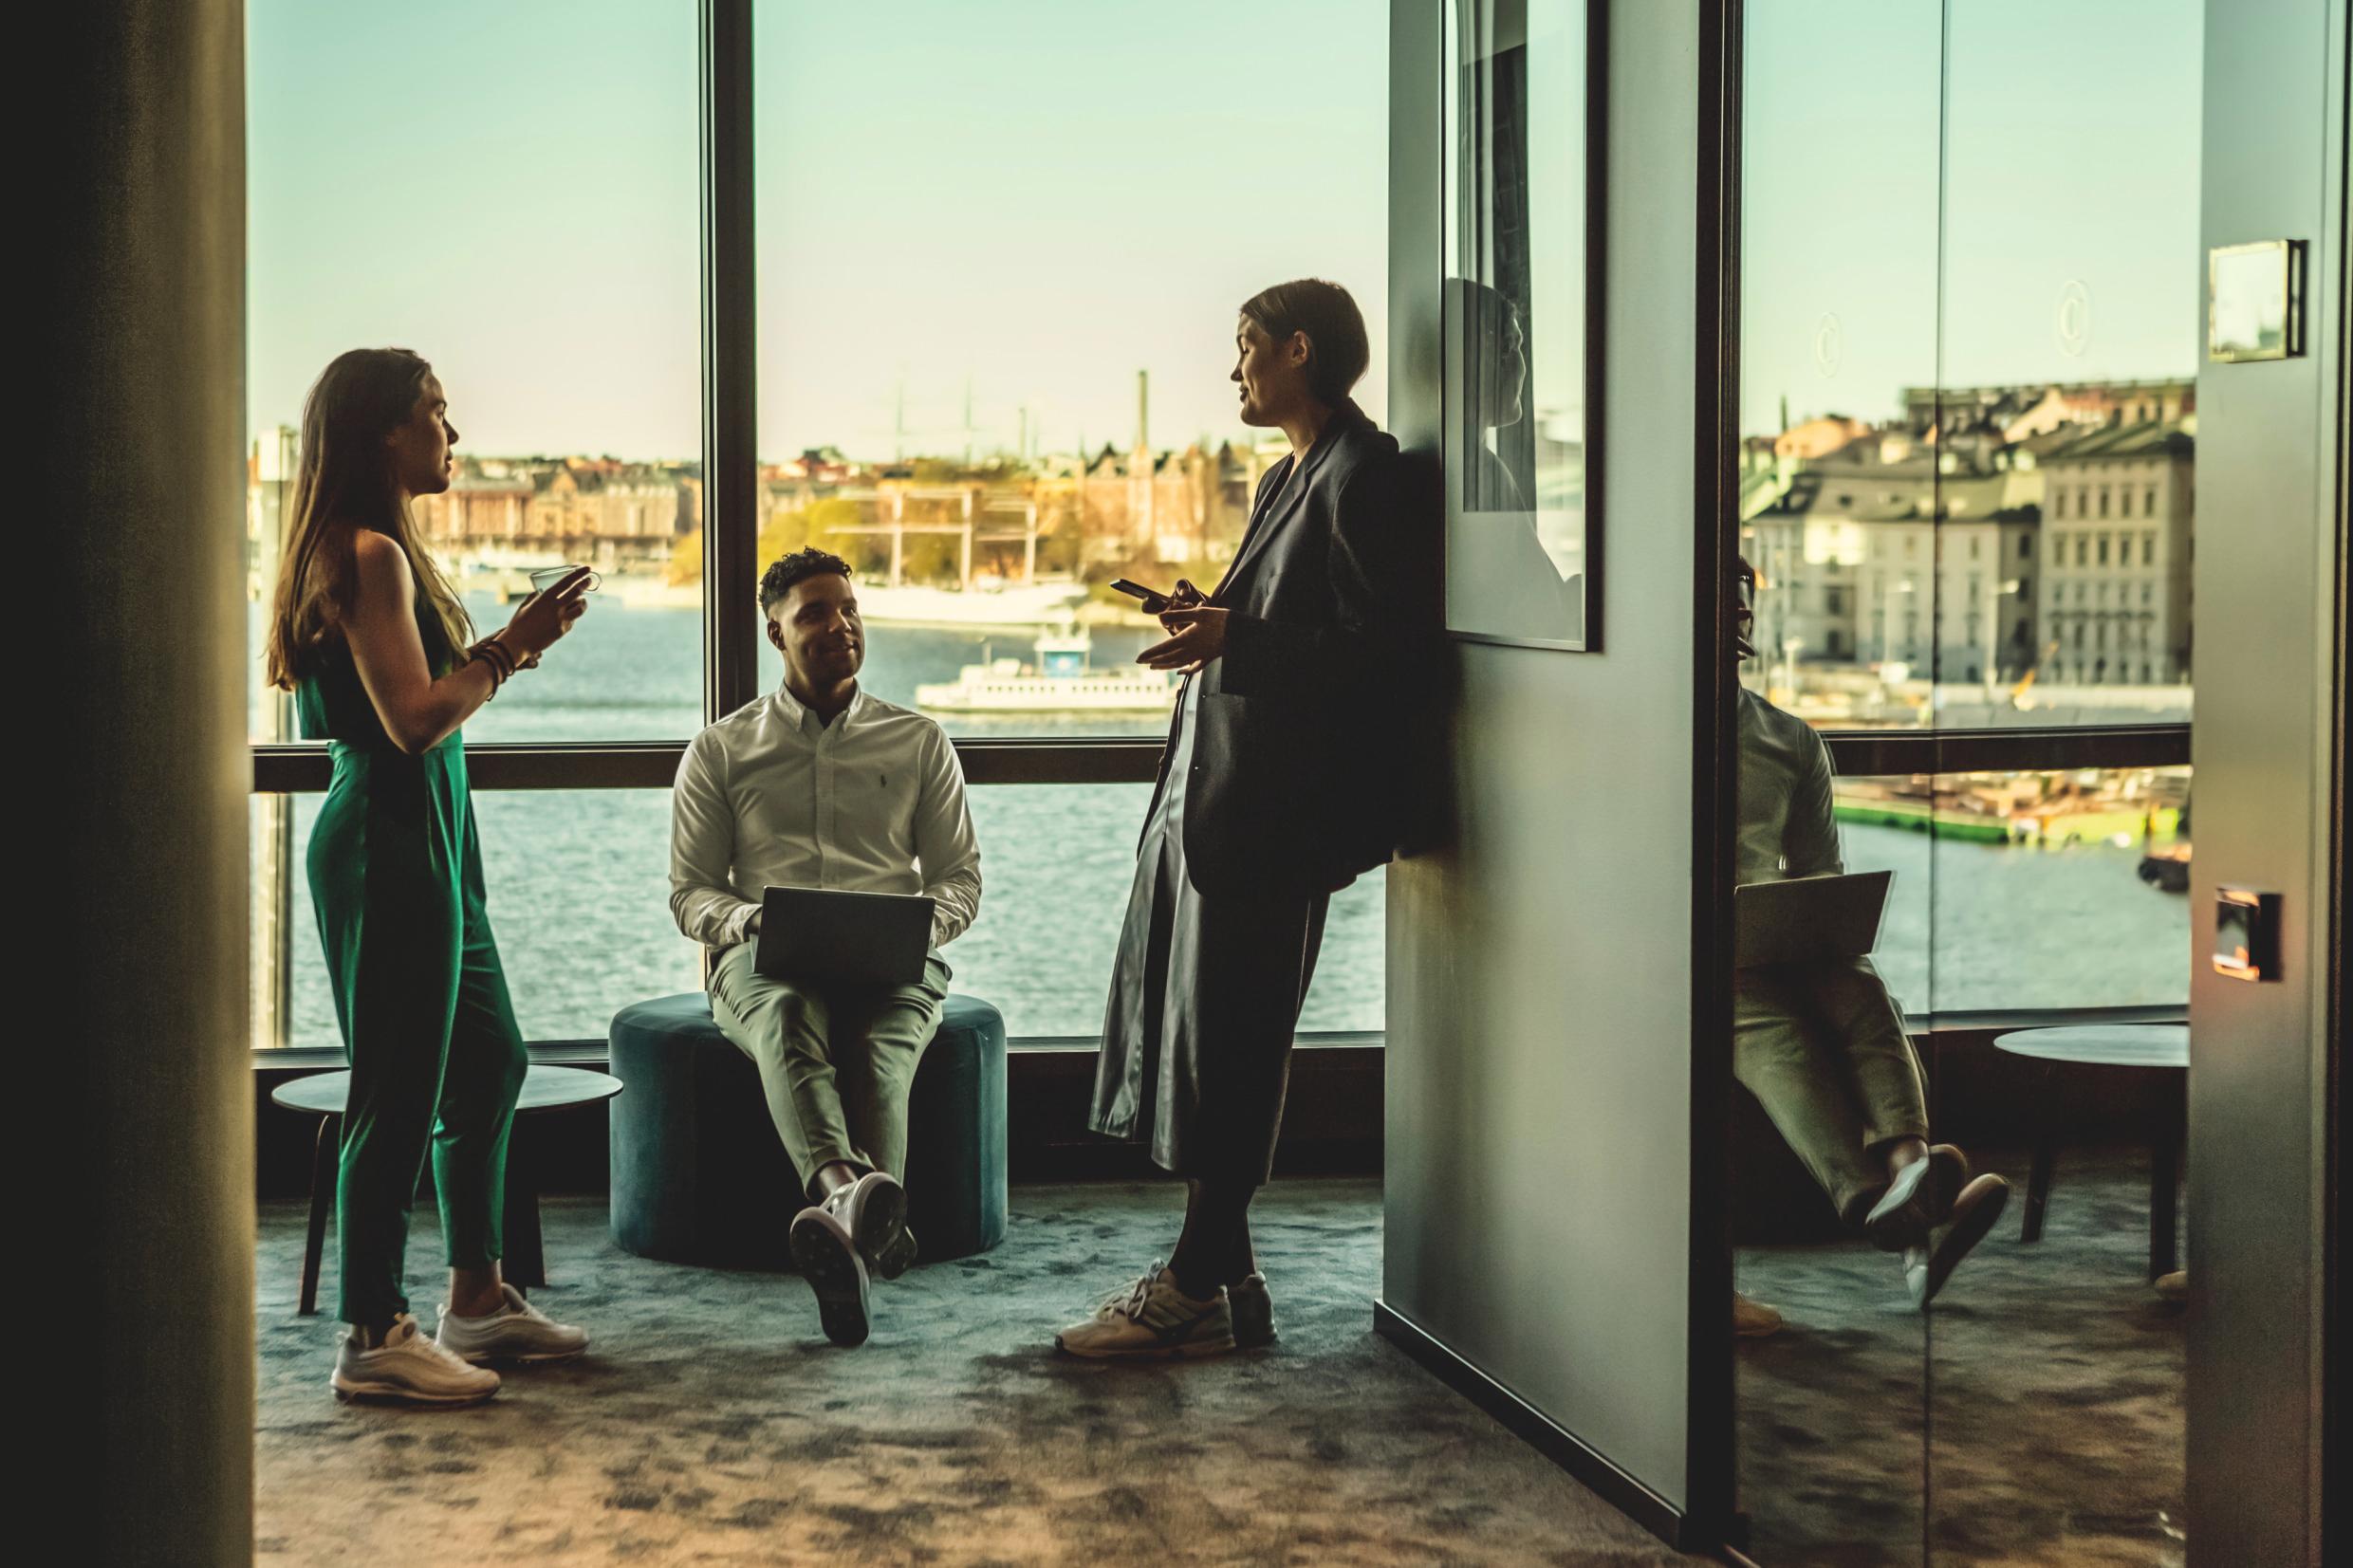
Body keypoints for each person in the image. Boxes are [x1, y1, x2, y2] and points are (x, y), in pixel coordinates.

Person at [1057, 279, 1432, 1358]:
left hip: (1277, 818)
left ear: (1297, 350)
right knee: (1211, 1039)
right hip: (1226, 801)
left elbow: (1389, 659)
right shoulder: (1288, 478)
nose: (1234, 372)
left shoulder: (1369, 478)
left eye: (1244, 349)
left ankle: (1188, 1288)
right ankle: (1226, 1265)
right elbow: (1279, 625)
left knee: (1239, 1046)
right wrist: (1213, 623)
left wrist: (1241, 639)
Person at [264, 348, 594, 1405]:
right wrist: (513, 645)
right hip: (391, 836)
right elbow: (411, 722)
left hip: (436, 835)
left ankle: (476, 1297)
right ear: (382, 435)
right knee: (395, 1094)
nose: (453, 437)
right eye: (437, 417)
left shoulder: (375, 549)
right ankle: (371, 1333)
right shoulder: (368, 554)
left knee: (490, 1058)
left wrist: (507, 647)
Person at [670, 548, 982, 1348]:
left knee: (882, 1052)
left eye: (848, 608)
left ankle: (841, 1218)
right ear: (776, 632)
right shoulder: (721, 749)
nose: (839, 625)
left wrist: (920, 928)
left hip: (893, 957)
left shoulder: (918, 741)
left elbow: (958, 881)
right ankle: (859, 1200)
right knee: (783, 1017)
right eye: (815, 612)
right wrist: (749, 925)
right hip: (763, 958)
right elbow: (692, 894)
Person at [1729, 558, 2009, 1334]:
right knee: (1774, 1035)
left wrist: (1810, 924)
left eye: (1740, 610)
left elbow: (1820, 874)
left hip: (1774, 936)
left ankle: (1906, 1168)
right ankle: (1902, 1213)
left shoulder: (1790, 740)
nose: (1732, 621)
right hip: (1692, 953)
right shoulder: (1640, 730)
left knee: (1857, 982)